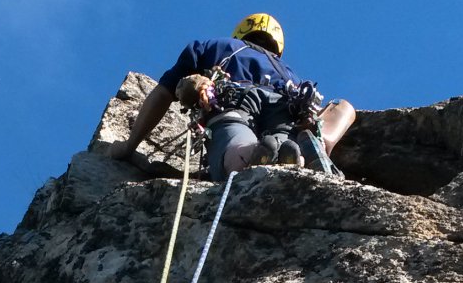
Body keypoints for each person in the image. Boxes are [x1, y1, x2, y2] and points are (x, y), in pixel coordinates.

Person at [109, 13, 356, 181]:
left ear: (241, 32)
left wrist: (130, 146)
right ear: (277, 46)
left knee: (236, 141)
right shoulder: (289, 72)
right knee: (341, 108)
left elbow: (163, 93)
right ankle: (314, 147)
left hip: (234, 102)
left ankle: (252, 157)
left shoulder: (212, 46)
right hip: (287, 107)